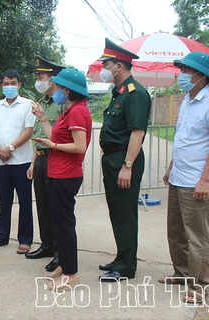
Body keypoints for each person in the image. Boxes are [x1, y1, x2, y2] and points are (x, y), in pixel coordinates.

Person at [32, 68, 92, 289]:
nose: (54, 90)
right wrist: (42, 118)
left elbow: (79, 146)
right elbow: (53, 135)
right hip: (58, 172)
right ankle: (65, 265)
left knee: (65, 225)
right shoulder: (69, 110)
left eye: (57, 87)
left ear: (67, 91)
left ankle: (72, 273)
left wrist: (54, 146)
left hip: (66, 174)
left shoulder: (77, 112)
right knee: (59, 223)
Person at [97, 38, 151, 282]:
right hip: (112, 158)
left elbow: (137, 132)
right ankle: (121, 258)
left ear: (119, 65)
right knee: (116, 211)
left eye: (106, 64)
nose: (103, 69)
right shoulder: (118, 91)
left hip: (123, 159)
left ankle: (127, 266)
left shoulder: (135, 92)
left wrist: (127, 166)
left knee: (125, 212)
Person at [160, 52, 209, 304]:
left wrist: (205, 180)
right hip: (179, 176)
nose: (182, 76)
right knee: (176, 230)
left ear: (201, 75)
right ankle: (182, 273)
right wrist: (170, 167)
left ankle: (200, 285)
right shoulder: (188, 101)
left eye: (187, 71)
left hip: (195, 180)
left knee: (196, 234)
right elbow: (182, 139)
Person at [0, 70, 36, 254]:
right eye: (6, 83)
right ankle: (2, 236)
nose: (9, 87)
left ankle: (25, 239)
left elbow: (29, 131)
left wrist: (10, 148)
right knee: (4, 201)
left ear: (19, 85)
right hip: (2, 163)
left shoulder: (28, 105)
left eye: (13, 83)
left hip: (21, 161)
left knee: (25, 202)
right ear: (1, 86)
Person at [26, 56, 65, 274]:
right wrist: (32, 163)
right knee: (42, 204)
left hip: (55, 157)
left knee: (56, 206)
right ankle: (47, 244)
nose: (38, 81)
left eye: (41, 77)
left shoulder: (60, 105)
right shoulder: (41, 104)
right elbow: (37, 137)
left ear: (52, 80)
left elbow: (57, 135)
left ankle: (60, 252)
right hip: (40, 158)